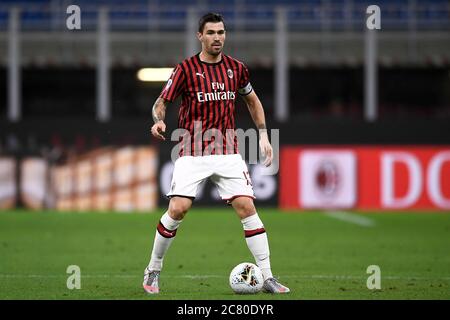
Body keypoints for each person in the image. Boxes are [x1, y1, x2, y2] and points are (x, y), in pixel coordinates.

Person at [143, 12, 290, 294]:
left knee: (247, 207)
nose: (217, 38)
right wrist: (158, 119)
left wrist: (262, 134)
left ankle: (268, 276)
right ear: (200, 36)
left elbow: (253, 101)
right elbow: (162, 102)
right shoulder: (185, 69)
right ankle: (153, 269)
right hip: (191, 149)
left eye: (221, 32)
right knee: (178, 209)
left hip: (228, 151)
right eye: (211, 33)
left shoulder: (237, 69)